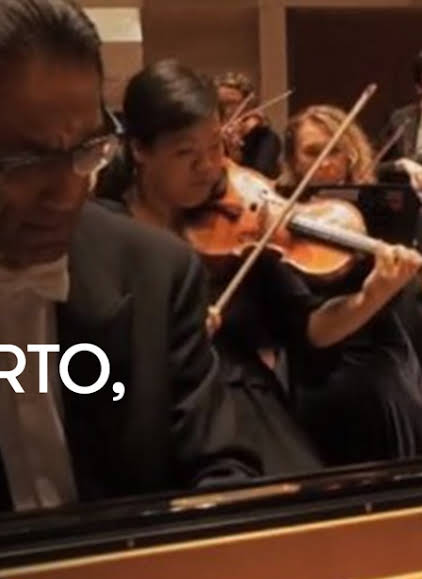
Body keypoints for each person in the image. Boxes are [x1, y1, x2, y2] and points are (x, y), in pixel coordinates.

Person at [0, 0, 265, 513]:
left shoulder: (158, 273)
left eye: (86, 150)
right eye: (26, 161)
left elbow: (220, 468)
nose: (67, 194)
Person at [98, 61, 422, 472]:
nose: (208, 167)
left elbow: (311, 329)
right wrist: (169, 336)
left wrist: (371, 295)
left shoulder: (244, 228)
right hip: (147, 416)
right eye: (185, 153)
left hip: (241, 406)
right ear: (140, 150)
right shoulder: (107, 232)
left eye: (215, 147)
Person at [277, 104, 422, 466]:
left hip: (376, 347)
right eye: (312, 152)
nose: (327, 163)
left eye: (336, 150)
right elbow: (304, 323)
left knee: (380, 389)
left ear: (350, 154)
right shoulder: (281, 219)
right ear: (293, 161)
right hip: (315, 353)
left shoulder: (378, 206)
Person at [215, 71, 282, 179]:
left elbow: (257, 180)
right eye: (221, 104)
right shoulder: (211, 137)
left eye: (233, 103)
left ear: (249, 105)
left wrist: (234, 153)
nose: (227, 111)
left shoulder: (266, 138)